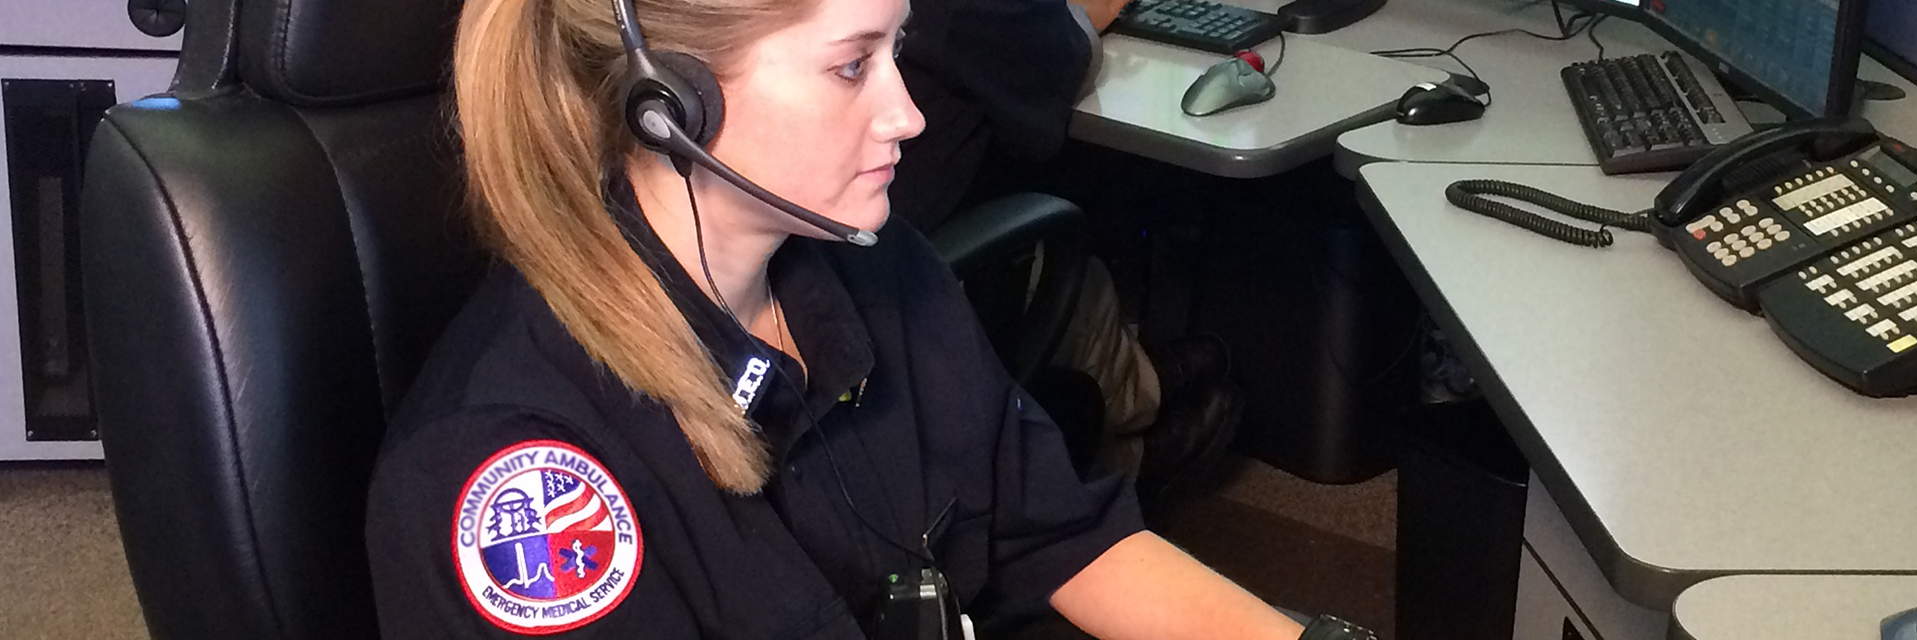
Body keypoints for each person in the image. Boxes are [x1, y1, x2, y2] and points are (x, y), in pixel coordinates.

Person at [364, 0, 1371, 637]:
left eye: (897, 52)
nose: (907, 113)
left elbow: (1058, 533)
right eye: (853, 66)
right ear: (670, 105)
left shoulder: (878, 269)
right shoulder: (520, 488)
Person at [889, 0, 1241, 499]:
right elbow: (1065, 55)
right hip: (899, 276)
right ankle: (1137, 437)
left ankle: (1142, 384)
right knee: (1070, 266)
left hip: (829, 250)